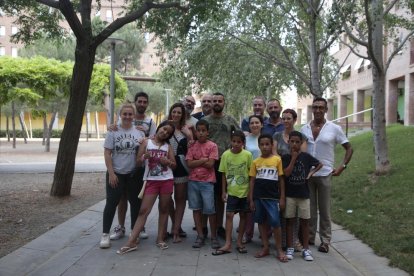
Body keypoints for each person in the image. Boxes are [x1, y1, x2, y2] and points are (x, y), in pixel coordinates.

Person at [300, 97, 353, 253]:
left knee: (324, 209)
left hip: (325, 174)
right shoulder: (304, 129)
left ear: (326, 110)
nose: (317, 110)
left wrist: (342, 167)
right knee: (309, 209)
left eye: (321, 108)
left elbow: (349, 148)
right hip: (308, 175)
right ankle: (309, 237)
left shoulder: (334, 128)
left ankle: (325, 240)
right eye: (315, 107)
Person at [117, 121, 176, 255]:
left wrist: (168, 162)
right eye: (164, 129)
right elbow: (138, 162)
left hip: (166, 180)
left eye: (168, 132)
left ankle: (160, 238)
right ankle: (131, 242)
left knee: (164, 209)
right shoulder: (146, 142)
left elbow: (174, 165)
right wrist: (145, 156)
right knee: (143, 211)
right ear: (159, 127)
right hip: (151, 181)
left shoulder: (168, 146)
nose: (165, 132)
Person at [109, 91, 156, 241]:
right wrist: (111, 127)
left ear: (147, 104)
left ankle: (138, 227)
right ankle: (120, 227)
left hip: (140, 166)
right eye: (139, 101)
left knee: (137, 198)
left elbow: (155, 140)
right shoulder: (125, 117)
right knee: (121, 198)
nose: (142, 104)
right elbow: (115, 131)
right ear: (135, 103)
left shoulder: (150, 122)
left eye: (144, 102)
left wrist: (146, 135)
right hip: (122, 165)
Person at [100, 103, 145, 249]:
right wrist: (111, 173)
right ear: (120, 115)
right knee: (111, 203)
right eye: (124, 114)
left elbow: (143, 152)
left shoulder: (139, 132)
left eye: (130, 114)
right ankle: (105, 234)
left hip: (133, 174)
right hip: (116, 173)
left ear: (133, 116)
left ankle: (134, 233)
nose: (127, 117)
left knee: (135, 204)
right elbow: (107, 153)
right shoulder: (113, 131)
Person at [204, 92, 241, 239]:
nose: (217, 103)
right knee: (207, 196)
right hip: (208, 163)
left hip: (225, 162)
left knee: (220, 196)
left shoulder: (230, 119)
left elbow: (239, 135)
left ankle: (219, 226)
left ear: (224, 103)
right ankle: (204, 226)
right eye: (214, 101)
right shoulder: (205, 120)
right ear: (210, 103)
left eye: (220, 101)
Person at [282, 131, 323, 261]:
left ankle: (306, 249)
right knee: (290, 221)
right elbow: (286, 174)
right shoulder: (285, 157)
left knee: (305, 222)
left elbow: (319, 164)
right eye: (292, 141)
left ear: (301, 143)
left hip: (304, 195)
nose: (294, 144)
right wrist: (293, 159)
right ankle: (290, 247)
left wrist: (311, 173)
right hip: (290, 195)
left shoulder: (306, 156)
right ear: (288, 142)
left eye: (297, 142)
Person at [248, 134, 287, 262]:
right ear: (259, 146)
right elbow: (252, 181)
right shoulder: (255, 162)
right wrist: (251, 198)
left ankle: (279, 249)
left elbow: (281, 180)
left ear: (272, 145)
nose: (265, 147)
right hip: (259, 198)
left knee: (275, 223)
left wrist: (281, 198)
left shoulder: (277, 160)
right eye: (262, 144)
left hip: (272, 198)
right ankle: (265, 247)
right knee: (261, 222)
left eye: (267, 144)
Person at [212, 130, 252, 255]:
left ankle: (239, 242)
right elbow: (223, 174)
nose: (236, 144)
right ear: (230, 141)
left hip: (244, 192)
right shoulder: (226, 155)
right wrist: (223, 191)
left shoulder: (247, 155)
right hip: (232, 192)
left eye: (239, 142)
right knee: (229, 215)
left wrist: (250, 193)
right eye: (234, 141)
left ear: (243, 143)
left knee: (243, 216)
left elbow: (251, 175)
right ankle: (228, 243)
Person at [273, 108, 306, 251]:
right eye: (284, 118)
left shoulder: (301, 136)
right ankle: (283, 240)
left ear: (294, 120)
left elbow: (302, 156)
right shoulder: (277, 136)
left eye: (289, 118)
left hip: (295, 178)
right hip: (280, 176)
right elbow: (274, 156)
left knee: (294, 212)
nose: (286, 121)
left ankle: (295, 240)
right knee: (282, 208)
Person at [186, 119, 220, 249]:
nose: (200, 133)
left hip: (207, 182)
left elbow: (211, 164)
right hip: (193, 182)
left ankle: (213, 236)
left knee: (210, 210)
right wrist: (204, 159)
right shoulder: (192, 146)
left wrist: (197, 161)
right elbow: (189, 163)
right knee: (196, 209)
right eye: (198, 130)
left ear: (207, 132)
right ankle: (200, 235)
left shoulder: (212, 146)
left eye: (203, 131)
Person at [167, 102, 194, 243]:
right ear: (170, 112)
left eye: (179, 112)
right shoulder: (164, 126)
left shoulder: (186, 129)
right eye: (174, 111)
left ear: (183, 115)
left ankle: (176, 229)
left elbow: (193, 148)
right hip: (165, 165)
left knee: (180, 199)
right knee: (166, 199)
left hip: (181, 166)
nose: (176, 114)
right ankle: (174, 224)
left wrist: (189, 136)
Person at [242, 115, 263, 244]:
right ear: (249, 125)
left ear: (262, 124)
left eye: (257, 122)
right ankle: (248, 233)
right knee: (249, 204)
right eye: (252, 123)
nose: (255, 125)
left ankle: (265, 233)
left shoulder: (266, 139)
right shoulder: (245, 138)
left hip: (264, 175)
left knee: (263, 204)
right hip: (249, 175)